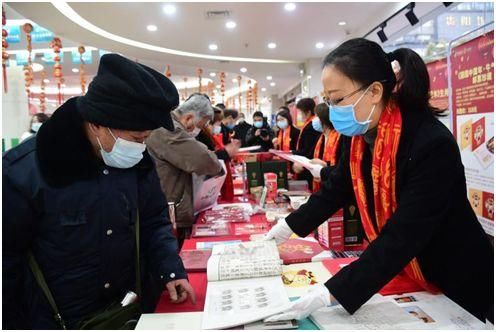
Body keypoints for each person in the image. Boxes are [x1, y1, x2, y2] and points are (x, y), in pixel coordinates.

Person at [265, 38, 493, 324]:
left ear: (374, 91)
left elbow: (403, 236)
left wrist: (330, 293)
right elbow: (338, 186)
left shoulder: (431, 144)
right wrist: (287, 227)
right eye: (328, 100)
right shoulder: (361, 136)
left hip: (454, 275)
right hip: (405, 269)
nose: (333, 110)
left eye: (337, 99)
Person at [3, 54, 196, 329]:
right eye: (136, 138)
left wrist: (170, 269)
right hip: (57, 320)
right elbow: (6, 265)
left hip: (129, 313)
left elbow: (154, 220)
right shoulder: (24, 171)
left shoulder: (136, 161)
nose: (141, 147)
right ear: (96, 123)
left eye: (146, 138)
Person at [146, 93, 224, 249]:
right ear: (189, 118)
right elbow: (204, 160)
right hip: (166, 211)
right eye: (200, 127)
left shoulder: (169, 126)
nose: (198, 132)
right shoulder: (168, 130)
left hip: (169, 206)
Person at [307, 103, 342, 192]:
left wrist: (325, 165)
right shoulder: (320, 137)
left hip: (335, 185)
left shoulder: (339, 137)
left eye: (316, 117)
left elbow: (342, 166)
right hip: (320, 182)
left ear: (324, 118)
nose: (314, 120)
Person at [291, 98, 321, 190]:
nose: (299, 115)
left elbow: (308, 150)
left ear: (308, 112)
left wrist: (292, 153)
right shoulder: (308, 125)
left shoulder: (311, 127)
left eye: (300, 112)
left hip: (308, 165)